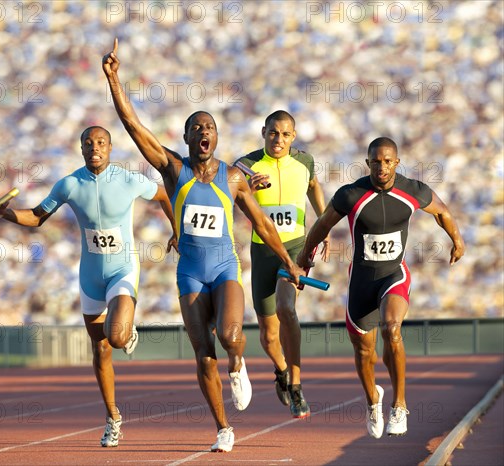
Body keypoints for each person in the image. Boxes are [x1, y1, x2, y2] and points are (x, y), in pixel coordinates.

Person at [102, 39, 306, 453]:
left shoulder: (234, 178)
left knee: (232, 336)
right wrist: (114, 79)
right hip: (191, 272)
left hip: (224, 267)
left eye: (209, 128)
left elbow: (263, 223)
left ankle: (240, 365)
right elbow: (133, 126)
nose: (203, 133)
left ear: (216, 136)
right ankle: (224, 428)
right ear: (186, 137)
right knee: (203, 353)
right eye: (196, 128)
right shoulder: (174, 170)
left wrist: (290, 261)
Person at [0, 125, 177, 448]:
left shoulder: (128, 179)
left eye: (101, 142)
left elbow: (163, 194)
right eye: (88, 143)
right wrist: (6, 215)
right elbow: (36, 216)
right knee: (100, 351)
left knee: (115, 337)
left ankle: (126, 327)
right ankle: (113, 417)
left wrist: (177, 230)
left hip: (123, 268)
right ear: (82, 149)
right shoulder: (69, 184)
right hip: (90, 276)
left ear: (110, 148)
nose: (94, 147)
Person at [299, 137, 465, 438]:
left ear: (396, 162)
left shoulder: (412, 190)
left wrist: (457, 240)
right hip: (361, 280)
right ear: (368, 163)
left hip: (394, 275)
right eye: (376, 161)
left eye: (388, 161)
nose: (382, 167)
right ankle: (372, 401)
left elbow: (442, 212)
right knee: (365, 353)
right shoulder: (351, 194)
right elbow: (323, 224)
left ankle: (399, 405)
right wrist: (304, 257)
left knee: (392, 329)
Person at [234, 110, 329, 418]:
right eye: (273, 133)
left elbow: (314, 186)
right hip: (263, 251)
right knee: (269, 334)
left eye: (285, 134)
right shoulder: (247, 165)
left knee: (287, 308)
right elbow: (231, 186)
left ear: (294, 136)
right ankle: (282, 371)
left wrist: (323, 223)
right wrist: (249, 189)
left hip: (296, 248)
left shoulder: (305, 162)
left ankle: (298, 386)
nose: (279, 140)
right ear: (264, 132)